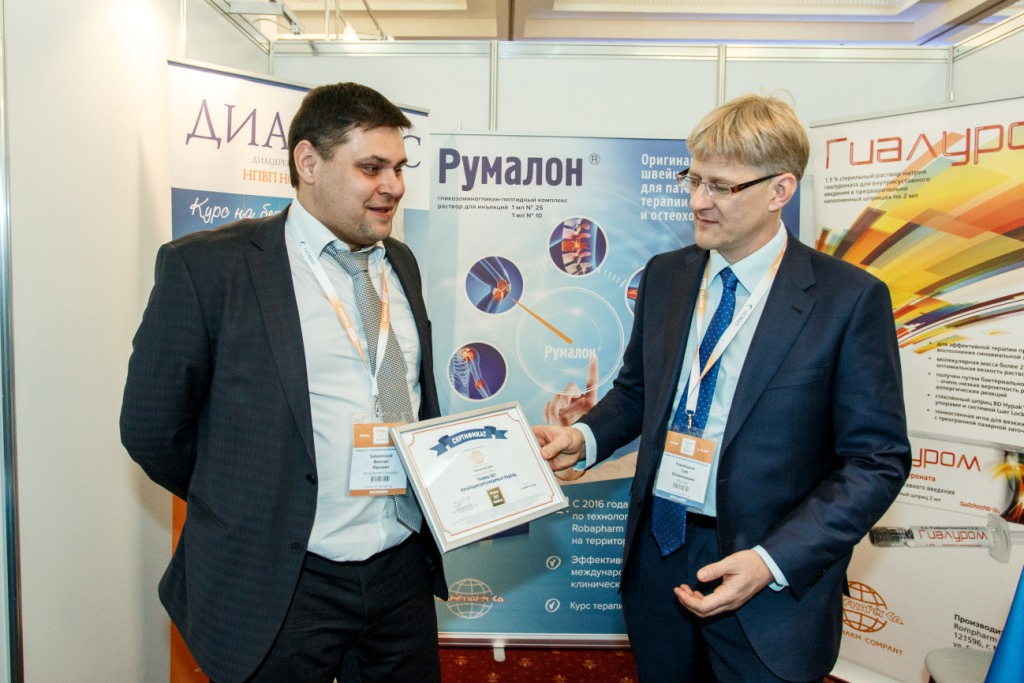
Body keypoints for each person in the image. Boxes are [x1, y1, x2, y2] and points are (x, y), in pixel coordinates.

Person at [533, 93, 911, 683]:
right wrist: (584, 438)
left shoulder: (849, 300)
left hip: (769, 577)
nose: (697, 201)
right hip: (661, 553)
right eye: (693, 180)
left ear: (780, 190)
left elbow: (876, 461)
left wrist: (770, 561)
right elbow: (638, 392)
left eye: (721, 187)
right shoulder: (667, 275)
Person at [121, 82, 446, 683]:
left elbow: (415, 403)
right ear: (308, 162)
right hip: (284, 577)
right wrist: (245, 500)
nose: (394, 186)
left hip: (398, 567)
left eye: (400, 168)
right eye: (372, 167)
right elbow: (152, 430)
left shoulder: (400, 262)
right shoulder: (208, 268)